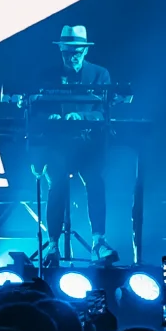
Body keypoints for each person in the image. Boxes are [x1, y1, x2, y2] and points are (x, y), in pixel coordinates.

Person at [40, 24, 115, 263]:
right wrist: (51, 117)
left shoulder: (99, 74)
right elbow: (38, 108)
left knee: (96, 181)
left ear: (85, 50)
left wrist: (80, 116)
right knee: (57, 184)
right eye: (67, 52)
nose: (72, 56)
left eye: (76, 52)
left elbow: (103, 112)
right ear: (60, 50)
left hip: (86, 143)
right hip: (58, 144)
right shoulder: (49, 75)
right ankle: (53, 244)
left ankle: (99, 241)